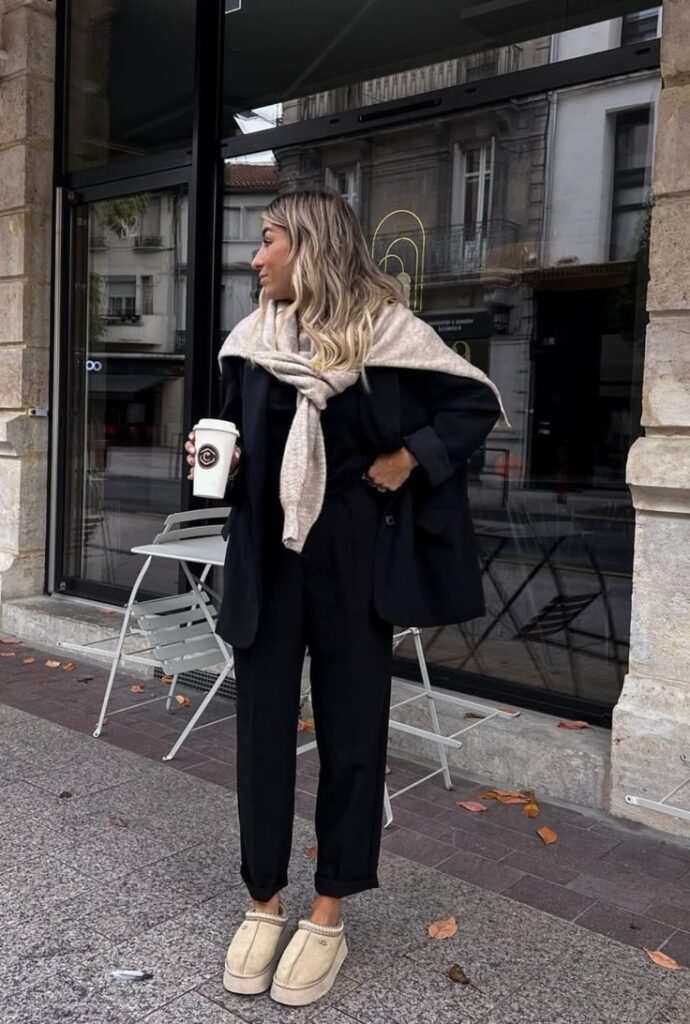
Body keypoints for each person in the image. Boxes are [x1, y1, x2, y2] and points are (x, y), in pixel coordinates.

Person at [184, 189, 506, 1007]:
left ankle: (329, 908)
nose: (255, 259)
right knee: (259, 733)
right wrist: (209, 455)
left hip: (357, 554)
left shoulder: (392, 336)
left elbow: (474, 403)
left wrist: (410, 458)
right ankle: (264, 900)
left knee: (353, 734)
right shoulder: (250, 343)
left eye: (268, 241)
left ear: (313, 245)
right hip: (267, 550)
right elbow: (232, 437)